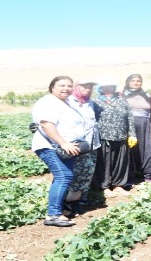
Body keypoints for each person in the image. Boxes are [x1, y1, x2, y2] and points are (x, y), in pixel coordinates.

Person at [31, 76, 85, 227]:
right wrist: (63, 143)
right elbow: (47, 124)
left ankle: (58, 209)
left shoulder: (64, 102)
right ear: (52, 87)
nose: (66, 88)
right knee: (64, 176)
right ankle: (53, 215)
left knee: (62, 177)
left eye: (69, 86)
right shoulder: (48, 102)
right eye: (62, 85)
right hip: (51, 146)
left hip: (65, 147)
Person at [93, 79, 137, 197]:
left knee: (121, 162)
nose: (109, 89)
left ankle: (118, 185)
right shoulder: (95, 102)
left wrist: (132, 134)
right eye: (106, 87)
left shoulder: (122, 101)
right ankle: (104, 186)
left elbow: (130, 118)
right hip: (103, 137)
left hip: (121, 136)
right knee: (104, 163)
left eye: (111, 87)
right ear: (100, 89)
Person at [65, 79, 101, 211]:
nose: (88, 89)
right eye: (85, 87)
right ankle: (69, 200)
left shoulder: (89, 102)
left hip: (92, 142)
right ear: (77, 87)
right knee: (80, 171)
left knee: (88, 172)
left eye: (90, 87)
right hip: (78, 142)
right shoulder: (68, 101)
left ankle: (81, 200)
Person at [123, 74, 151, 184]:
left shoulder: (147, 95)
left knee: (149, 150)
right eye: (133, 80)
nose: (136, 83)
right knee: (130, 151)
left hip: (146, 124)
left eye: (139, 81)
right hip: (129, 126)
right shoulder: (122, 96)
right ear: (128, 82)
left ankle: (148, 176)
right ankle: (129, 178)